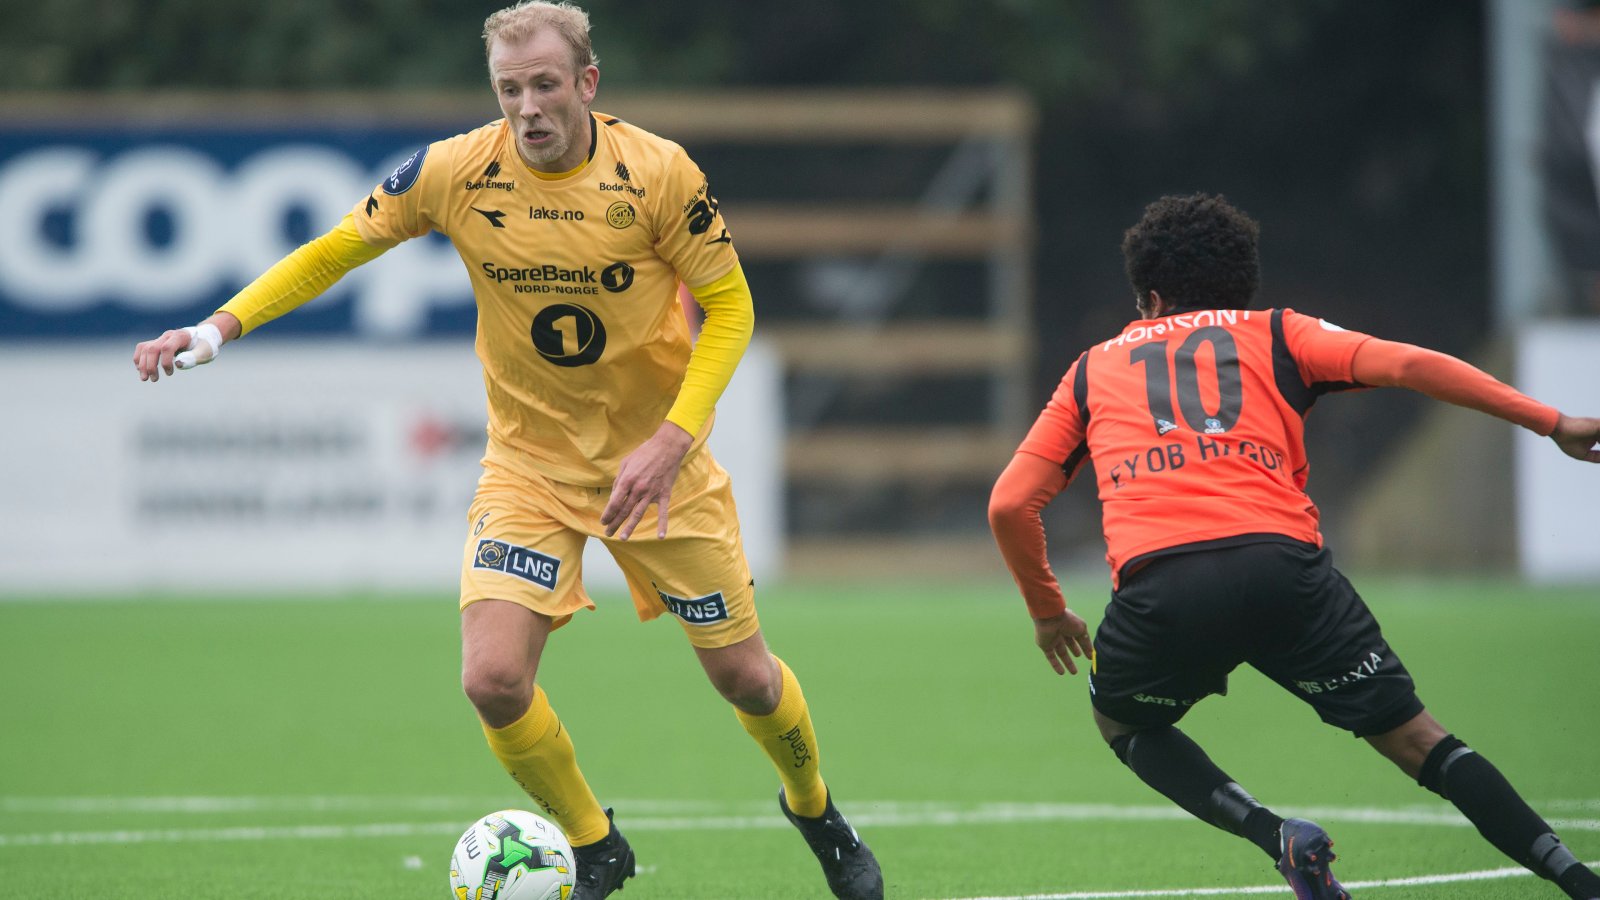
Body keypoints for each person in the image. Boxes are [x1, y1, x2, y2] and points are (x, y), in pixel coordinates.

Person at [131, 3, 882, 898]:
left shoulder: (658, 173)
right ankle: (596, 845)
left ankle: (815, 810)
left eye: (545, 85)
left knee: (747, 680)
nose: (527, 107)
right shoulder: (454, 171)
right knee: (492, 680)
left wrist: (674, 438)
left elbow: (732, 308)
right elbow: (334, 251)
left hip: (659, 468)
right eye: (509, 89)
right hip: (529, 468)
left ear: (586, 83)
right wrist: (217, 328)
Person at [988, 193, 1600, 900]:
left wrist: (1048, 611)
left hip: (1165, 585)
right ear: (1239, 284)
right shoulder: (1279, 333)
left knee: (1122, 723)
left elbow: (1009, 503)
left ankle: (1276, 834)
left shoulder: (1092, 369)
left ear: (1151, 299)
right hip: (1284, 570)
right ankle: (1577, 880)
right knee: (1419, 742)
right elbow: (1408, 365)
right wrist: (1551, 421)